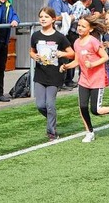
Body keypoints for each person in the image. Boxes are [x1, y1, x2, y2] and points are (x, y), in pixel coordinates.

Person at [60, 15, 109, 143]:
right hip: (84, 80)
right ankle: (89, 132)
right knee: (82, 107)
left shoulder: (93, 41)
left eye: (83, 26)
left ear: (90, 29)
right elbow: (77, 61)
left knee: (95, 110)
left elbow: (105, 57)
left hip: (97, 79)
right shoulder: (77, 43)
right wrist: (67, 66)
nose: (80, 28)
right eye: (79, 25)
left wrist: (92, 64)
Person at [30, 7, 75, 141]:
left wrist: (63, 53)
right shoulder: (36, 35)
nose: (43, 19)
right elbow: (31, 51)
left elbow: (72, 53)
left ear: (53, 19)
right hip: (40, 74)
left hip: (55, 75)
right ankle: (52, 117)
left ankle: (51, 132)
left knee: (50, 104)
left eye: (46, 17)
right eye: (41, 17)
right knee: (40, 105)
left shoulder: (59, 37)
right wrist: (34, 56)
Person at [47, 0, 77, 90]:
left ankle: (65, 81)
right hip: (56, 33)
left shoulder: (65, 1)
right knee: (59, 57)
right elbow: (56, 17)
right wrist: (69, 17)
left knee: (65, 57)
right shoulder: (56, 0)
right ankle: (59, 83)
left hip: (64, 33)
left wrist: (68, 16)